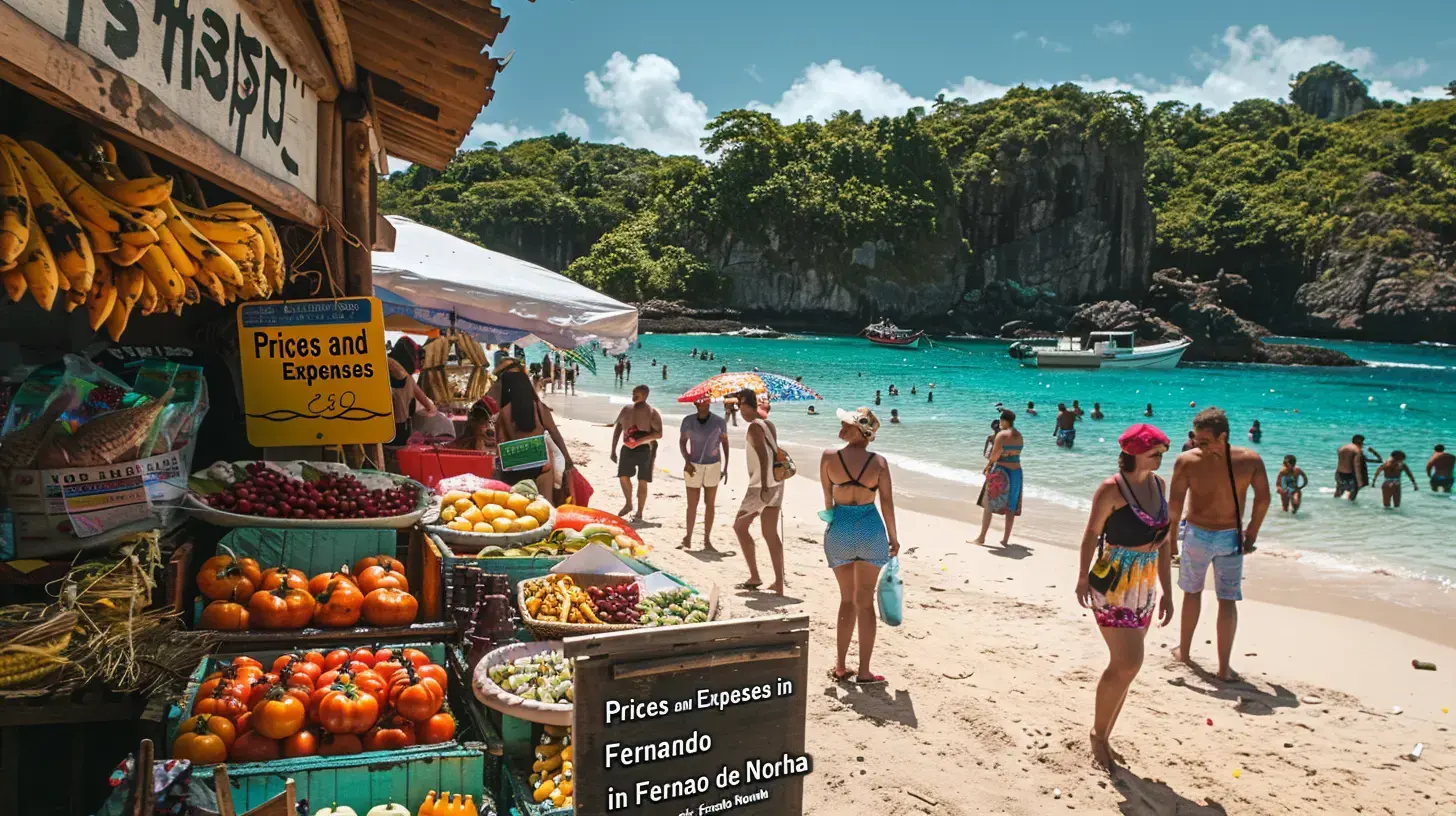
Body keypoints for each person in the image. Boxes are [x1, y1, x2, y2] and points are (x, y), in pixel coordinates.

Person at [1075, 424, 1174, 768]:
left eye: (1162, 452)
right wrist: (1081, 579)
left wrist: (1167, 591)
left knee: (1127, 667)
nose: (1161, 458)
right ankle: (1097, 736)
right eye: (1154, 452)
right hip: (1114, 579)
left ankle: (1105, 734)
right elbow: (1090, 535)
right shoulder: (1111, 489)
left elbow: (1164, 544)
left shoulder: (1159, 485)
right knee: (1127, 662)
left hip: (1145, 581)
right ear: (1133, 453)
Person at [1167, 408, 1270, 682]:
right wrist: (1251, 533)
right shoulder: (1249, 460)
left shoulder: (1187, 461)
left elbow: (1175, 504)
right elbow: (1263, 499)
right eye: (1196, 440)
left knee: (1211, 597)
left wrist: (1252, 532)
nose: (1198, 446)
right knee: (1215, 597)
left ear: (1223, 435)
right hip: (1221, 537)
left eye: (1204, 441)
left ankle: (1210, 662)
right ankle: (1194, 657)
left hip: (1203, 537)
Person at [821, 408, 899, 686]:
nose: (842, 427)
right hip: (870, 529)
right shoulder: (879, 463)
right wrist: (894, 537)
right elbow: (887, 503)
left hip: (840, 528)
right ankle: (864, 672)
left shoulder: (830, 457)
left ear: (862, 432)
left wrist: (832, 523)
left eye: (847, 424)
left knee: (846, 600)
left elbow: (828, 501)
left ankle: (841, 667)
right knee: (864, 603)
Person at [733, 389, 786, 594]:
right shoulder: (768, 424)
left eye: (740, 406)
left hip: (761, 485)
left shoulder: (754, 427)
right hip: (778, 483)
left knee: (739, 526)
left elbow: (764, 459)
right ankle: (779, 583)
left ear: (748, 404)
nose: (739, 410)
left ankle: (755, 576)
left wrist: (763, 485)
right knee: (770, 533)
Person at [493, 368, 574, 500]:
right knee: (546, 504)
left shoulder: (504, 412)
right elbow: (556, 435)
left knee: (516, 504)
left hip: (514, 465)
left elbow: (500, 441)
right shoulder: (539, 408)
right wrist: (567, 458)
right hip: (541, 464)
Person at [679, 397, 729, 550]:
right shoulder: (688, 420)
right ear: (695, 403)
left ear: (710, 403)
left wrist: (726, 467)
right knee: (692, 504)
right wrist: (687, 460)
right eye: (700, 401)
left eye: (706, 401)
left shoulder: (719, 421)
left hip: (713, 464)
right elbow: (682, 441)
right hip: (693, 465)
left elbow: (725, 443)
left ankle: (707, 540)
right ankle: (688, 537)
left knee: (710, 504)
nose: (704, 403)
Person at [610, 385, 663, 522]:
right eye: (633, 393)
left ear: (645, 395)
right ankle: (628, 503)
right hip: (627, 449)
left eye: (636, 394)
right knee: (623, 476)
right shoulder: (626, 410)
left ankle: (639, 512)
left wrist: (640, 440)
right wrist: (613, 449)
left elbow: (659, 434)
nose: (633, 396)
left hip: (645, 449)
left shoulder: (652, 412)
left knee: (642, 480)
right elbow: (618, 428)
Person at [975, 409, 1024, 546]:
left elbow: (995, 455)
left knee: (989, 503)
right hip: (1017, 473)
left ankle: (981, 538)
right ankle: (1005, 540)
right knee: (1011, 506)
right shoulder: (1019, 435)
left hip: (1002, 472)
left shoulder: (1002, 435)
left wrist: (988, 466)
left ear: (1003, 420)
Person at [388, 338, 436, 445]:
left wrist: (429, 406)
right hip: (395, 430)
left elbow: (416, 390)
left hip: (396, 429)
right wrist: (430, 407)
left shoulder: (394, 365)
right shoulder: (396, 369)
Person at [1335, 435, 1381, 501]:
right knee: (1352, 497)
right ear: (1360, 442)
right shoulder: (1357, 450)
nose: (1363, 444)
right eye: (1363, 442)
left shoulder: (1342, 448)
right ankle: (1349, 509)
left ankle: (1334, 506)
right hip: (1351, 475)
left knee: (1338, 493)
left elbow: (1342, 461)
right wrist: (1373, 451)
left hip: (1339, 473)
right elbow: (1357, 466)